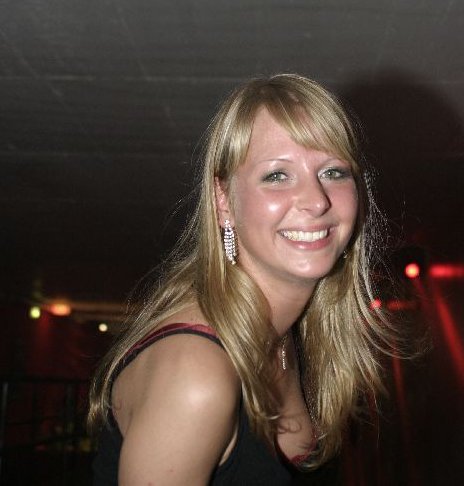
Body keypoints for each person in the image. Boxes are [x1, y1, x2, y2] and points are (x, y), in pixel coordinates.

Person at [88, 73, 393, 485]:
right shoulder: (196, 372)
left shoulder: (287, 334)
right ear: (223, 200)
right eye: (277, 175)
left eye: (334, 172)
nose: (316, 200)